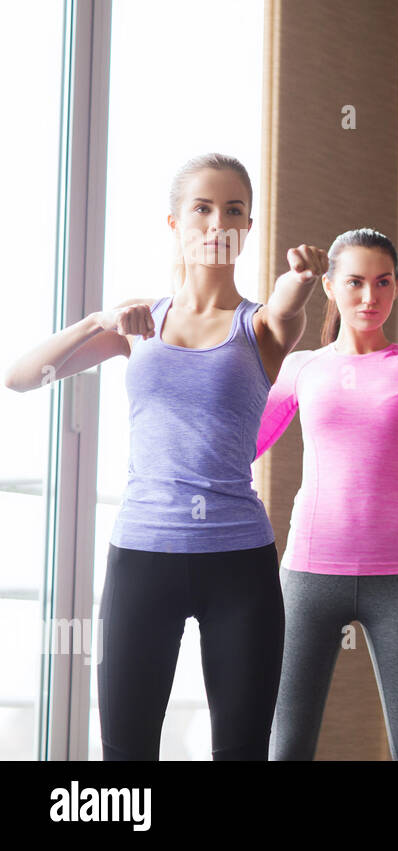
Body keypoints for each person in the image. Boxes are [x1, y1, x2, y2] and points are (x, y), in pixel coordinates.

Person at [4, 152, 326, 760]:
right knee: (126, 754)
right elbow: (21, 377)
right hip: (142, 557)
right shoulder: (139, 324)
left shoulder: (260, 328)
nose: (218, 222)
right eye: (202, 208)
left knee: (241, 751)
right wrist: (96, 319)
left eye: (234, 210)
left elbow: (287, 304)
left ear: (248, 227)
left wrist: (304, 277)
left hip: (240, 565)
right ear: (175, 223)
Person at [255, 227, 398, 761]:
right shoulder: (304, 367)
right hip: (308, 577)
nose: (370, 297)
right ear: (329, 287)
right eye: (354, 282)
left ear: (396, 288)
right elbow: (247, 440)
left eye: (383, 282)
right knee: (285, 747)